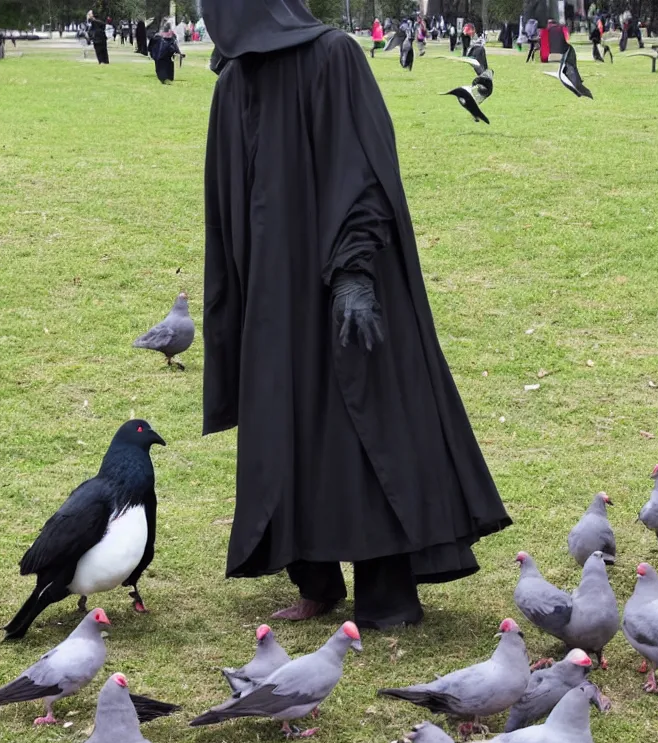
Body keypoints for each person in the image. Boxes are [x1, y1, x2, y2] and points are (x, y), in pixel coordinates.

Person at [200, 0, 512, 630]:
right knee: (288, 426)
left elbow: (363, 168)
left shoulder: (334, 57)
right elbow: (231, 200)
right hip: (272, 292)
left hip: (346, 277)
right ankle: (313, 575)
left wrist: (352, 274)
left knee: (364, 422)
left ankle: (386, 589)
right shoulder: (235, 80)